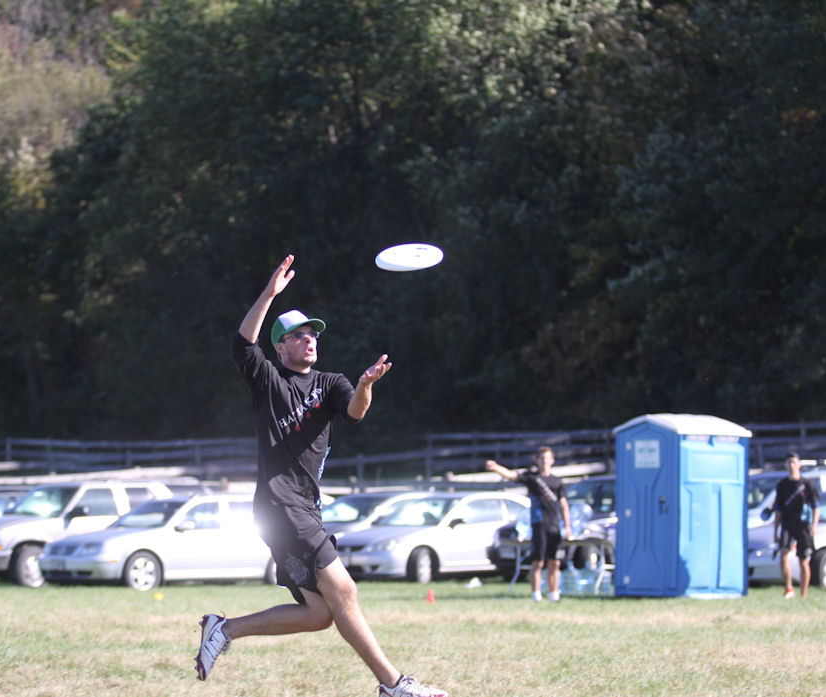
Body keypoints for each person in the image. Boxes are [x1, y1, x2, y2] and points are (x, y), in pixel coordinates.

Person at [194, 254, 447, 697]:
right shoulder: (268, 382)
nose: (309, 339)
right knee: (343, 590)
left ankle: (224, 629)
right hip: (279, 505)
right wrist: (268, 295)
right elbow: (241, 344)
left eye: (312, 333)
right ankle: (394, 686)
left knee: (319, 614)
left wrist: (365, 386)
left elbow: (355, 413)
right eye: (298, 335)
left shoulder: (331, 384)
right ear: (280, 347)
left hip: (301, 509)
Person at [486, 446, 571, 601]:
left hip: (554, 526)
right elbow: (512, 475)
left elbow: (564, 504)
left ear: (552, 460)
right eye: (542, 458)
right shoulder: (532, 478)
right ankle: (536, 594)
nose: (544, 461)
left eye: (547, 458)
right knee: (538, 562)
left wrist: (567, 525)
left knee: (555, 562)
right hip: (539, 525)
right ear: (537, 460)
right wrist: (496, 467)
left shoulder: (557, 481)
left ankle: (554, 594)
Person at [773, 452, 819, 599]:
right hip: (787, 523)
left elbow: (816, 507)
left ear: (799, 464)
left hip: (803, 525)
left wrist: (814, 526)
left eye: (794, 462)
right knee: (783, 554)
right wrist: (775, 530)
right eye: (789, 463)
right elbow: (778, 510)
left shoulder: (807, 484)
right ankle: (789, 588)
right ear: (786, 465)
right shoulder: (782, 485)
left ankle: (803, 594)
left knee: (803, 560)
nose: (792, 465)